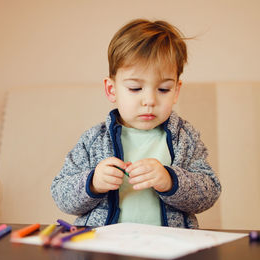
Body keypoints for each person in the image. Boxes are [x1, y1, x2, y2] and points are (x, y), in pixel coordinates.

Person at [51, 19, 221, 228]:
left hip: (170, 248)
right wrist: (93, 182)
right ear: (111, 90)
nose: (149, 101)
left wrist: (170, 180)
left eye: (163, 89)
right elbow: (60, 194)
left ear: (176, 90)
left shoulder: (185, 137)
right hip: (106, 251)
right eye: (135, 88)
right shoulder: (94, 140)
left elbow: (210, 191)